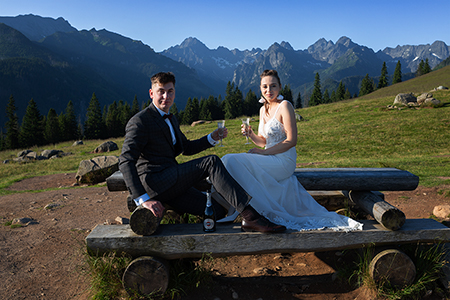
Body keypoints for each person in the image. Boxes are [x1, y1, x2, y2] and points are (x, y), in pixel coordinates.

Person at [119, 71, 286, 233]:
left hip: (171, 185)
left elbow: (186, 148)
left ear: (174, 92)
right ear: (151, 93)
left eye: (170, 91)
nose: (166, 96)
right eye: (160, 92)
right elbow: (126, 160)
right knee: (211, 162)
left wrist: (211, 138)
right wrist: (143, 199)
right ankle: (250, 216)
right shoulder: (140, 121)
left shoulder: (171, 118)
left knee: (217, 211)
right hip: (155, 183)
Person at [221, 70, 363, 231]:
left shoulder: (285, 106)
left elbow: (291, 140)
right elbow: (263, 141)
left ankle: (244, 210)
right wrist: (251, 134)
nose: (269, 90)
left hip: (283, 160)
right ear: (260, 88)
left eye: (273, 86)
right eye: (265, 87)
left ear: (280, 87)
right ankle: (240, 208)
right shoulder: (262, 110)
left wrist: (264, 153)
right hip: (268, 158)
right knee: (227, 160)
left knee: (231, 160)